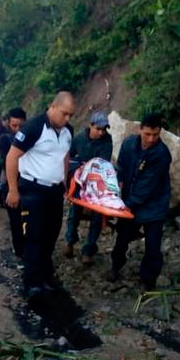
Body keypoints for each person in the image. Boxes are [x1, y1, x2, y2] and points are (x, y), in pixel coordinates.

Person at [5, 91, 75, 299]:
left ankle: (45, 278)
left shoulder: (67, 131)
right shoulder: (34, 127)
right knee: (34, 236)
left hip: (54, 191)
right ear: (52, 107)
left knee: (51, 236)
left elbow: (65, 156)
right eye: (64, 113)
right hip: (33, 189)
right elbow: (12, 156)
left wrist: (65, 183)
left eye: (70, 114)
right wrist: (13, 189)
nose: (67, 118)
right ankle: (32, 284)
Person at [107, 113, 172, 292]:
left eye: (155, 135)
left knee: (152, 245)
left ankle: (148, 280)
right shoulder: (128, 144)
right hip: (130, 200)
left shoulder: (162, 154)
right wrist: (117, 185)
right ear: (140, 130)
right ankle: (115, 267)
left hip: (155, 205)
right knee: (121, 239)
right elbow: (121, 167)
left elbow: (147, 185)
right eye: (147, 134)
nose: (151, 139)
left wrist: (127, 205)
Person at [64, 110, 114, 266]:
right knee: (74, 214)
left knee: (98, 217)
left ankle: (88, 250)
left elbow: (103, 164)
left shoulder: (107, 141)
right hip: (79, 182)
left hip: (97, 183)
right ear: (90, 126)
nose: (101, 132)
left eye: (103, 129)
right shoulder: (79, 138)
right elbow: (69, 158)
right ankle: (70, 242)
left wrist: (90, 167)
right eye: (98, 129)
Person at [0, 107, 27, 258]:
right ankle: (20, 252)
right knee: (16, 222)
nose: (17, 129)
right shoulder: (5, 138)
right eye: (14, 126)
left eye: (21, 126)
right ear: (8, 124)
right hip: (9, 183)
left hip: (27, 184)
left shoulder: (30, 137)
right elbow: (5, 162)